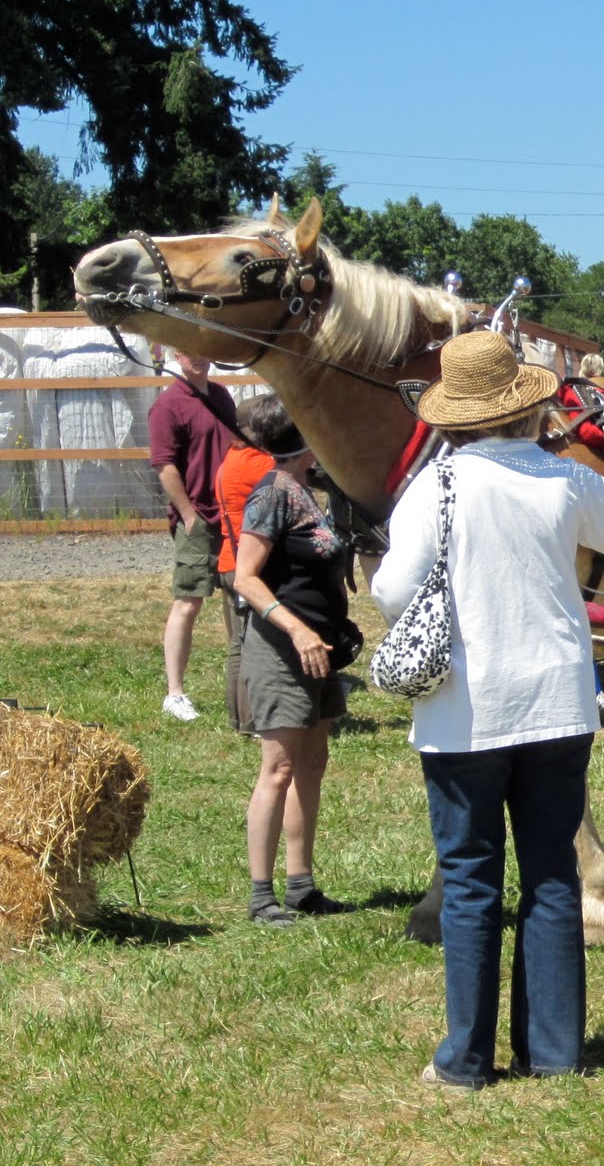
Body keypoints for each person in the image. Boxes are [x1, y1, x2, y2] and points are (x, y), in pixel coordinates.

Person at [371, 331, 604, 1090]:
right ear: (526, 405)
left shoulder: (432, 487)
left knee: (470, 880)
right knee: (551, 878)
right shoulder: (563, 480)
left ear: (453, 415)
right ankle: (555, 1050)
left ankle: (466, 1058)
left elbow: (392, 592)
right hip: (557, 708)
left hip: (461, 715)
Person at [231, 395, 356, 926]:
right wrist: (299, 629)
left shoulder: (307, 488)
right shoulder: (273, 494)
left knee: (312, 763)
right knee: (278, 768)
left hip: (319, 651)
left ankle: (300, 886)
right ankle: (262, 897)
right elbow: (245, 577)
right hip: (284, 650)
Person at [147, 349, 238, 722]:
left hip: (232, 514)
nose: (198, 358)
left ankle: (243, 680)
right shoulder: (168, 405)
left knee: (239, 596)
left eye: (203, 350)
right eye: (188, 352)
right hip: (197, 518)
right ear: (175, 356)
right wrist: (187, 514)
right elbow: (163, 465)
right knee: (189, 600)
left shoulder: (220, 395)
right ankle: (175, 694)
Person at [213, 394, 277, 735]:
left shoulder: (230, 460)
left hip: (228, 559)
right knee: (254, 646)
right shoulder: (258, 464)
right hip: (249, 566)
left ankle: (239, 719)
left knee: (238, 646)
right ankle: (254, 721)